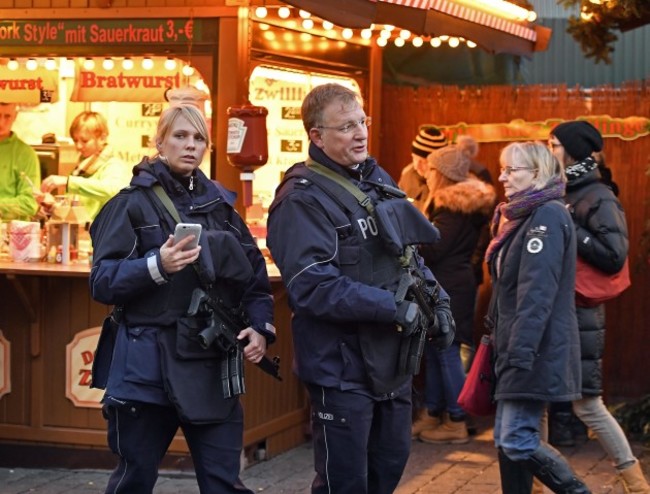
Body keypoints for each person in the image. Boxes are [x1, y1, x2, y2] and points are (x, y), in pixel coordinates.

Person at [266, 83, 455, 494]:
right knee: (345, 484)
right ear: (316, 136)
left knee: (388, 468)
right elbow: (311, 287)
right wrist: (390, 307)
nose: (360, 134)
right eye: (346, 126)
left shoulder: (375, 177)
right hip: (341, 369)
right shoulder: (300, 200)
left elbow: (406, 253)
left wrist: (436, 300)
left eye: (362, 122)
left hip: (392, 362)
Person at [89, 104, 276, 493]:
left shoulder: (221, 207)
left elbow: (254, 277)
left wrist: (260, 327)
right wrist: (157, 264)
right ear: (159, 142)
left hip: (208, 363)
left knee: (224, 482)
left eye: (198, 138)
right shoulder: (130, 204)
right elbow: (102, 282)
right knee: (133, 480)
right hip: (145, 367)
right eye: (180, 136)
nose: (190, 146)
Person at [549, 121, 650, 493]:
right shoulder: (562, 191)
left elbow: (614, 255)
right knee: (537, 400)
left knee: (588, 405)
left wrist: (566, 225)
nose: (549, 150)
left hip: (581, 314)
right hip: (560, 310)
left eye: (554, 144)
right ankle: (532, 481)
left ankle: (635, 482)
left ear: (572, 150)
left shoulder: (597, 195)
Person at [486, 141, 590, 493]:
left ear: (537, 172)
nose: (502, 177)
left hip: (532, 348)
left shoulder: (546, 215)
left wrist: (520, 353)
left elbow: (537, 293)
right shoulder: (520, 216)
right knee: (507, 441)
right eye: (503, 169)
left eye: (511, 170)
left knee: (516, 438)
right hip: (517, 345)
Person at [413, 145, 496, 444]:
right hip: (453, 284)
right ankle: (435, 413)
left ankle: (457, 420)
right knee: (438, 351)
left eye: (432, 170)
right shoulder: (463, 206)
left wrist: (408, 238)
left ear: (443, 174)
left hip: (447, 286)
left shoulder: (450, 208)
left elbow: (434, 249)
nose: (428, 176)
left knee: (446, 353)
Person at [39, 111, 131, 219]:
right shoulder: (81, 168)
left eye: (84, 141)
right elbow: (80, 212)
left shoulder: (114, 165)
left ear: (102, 138)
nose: (78, 146)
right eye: (75, 140)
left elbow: (115, 191)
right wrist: (54, 207)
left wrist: (68, 182)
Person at [0, 102, 40, 221]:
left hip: (12, 234)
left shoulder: (26, 154)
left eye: (7, 116)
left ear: (15, 116)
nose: (1, 122)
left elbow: (30, 203)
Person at [398, 126, 448, 211]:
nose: (416, 166)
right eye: (414, 158)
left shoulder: (449, 185)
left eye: (422, 161)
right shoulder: (407, 175)